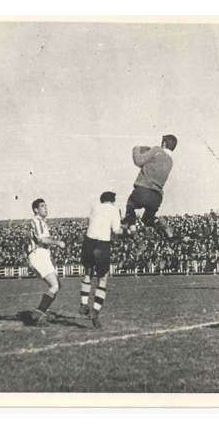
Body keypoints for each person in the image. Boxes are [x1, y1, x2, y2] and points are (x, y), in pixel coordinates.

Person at [80, 191, 125, 329]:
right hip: (102, 244)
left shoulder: (94, 206)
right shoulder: (114, 209)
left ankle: (83, 303)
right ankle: (95, 313)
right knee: (102, 279)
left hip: (88, 241)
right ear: (112, 200)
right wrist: (126, 230)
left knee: (88, 273)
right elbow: (116, 230)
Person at [121, 134, 177, 238]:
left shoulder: (156, 150)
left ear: (164, 143)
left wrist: (136, 149)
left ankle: (132, 230)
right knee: (148, 219)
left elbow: (138, 161)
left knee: (130, 205)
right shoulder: (170, 161)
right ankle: (162, 225)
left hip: (143, 190)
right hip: (157, 197)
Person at [26, 198, 65, 325]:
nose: (45, 208)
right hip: (38, 255)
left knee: (56, 285)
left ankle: (42, 311)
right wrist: (57, 242)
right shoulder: (36, 220)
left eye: (46, 206)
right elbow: (42, 240)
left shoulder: (42, 222)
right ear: (36, 209)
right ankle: (38, 314)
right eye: (42, 206)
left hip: (43, 255)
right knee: (55, 285)